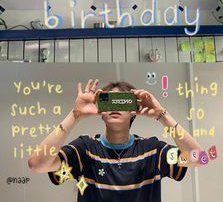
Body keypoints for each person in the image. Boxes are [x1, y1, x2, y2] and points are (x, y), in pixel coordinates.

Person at [28, 79, 203, 202]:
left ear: (133, 109)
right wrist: (75, 115)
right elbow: (37, 164)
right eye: (109, 101)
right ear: (101, 111)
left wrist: (162, 115)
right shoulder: (85, 150)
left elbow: (199, 158)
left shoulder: (153, 151)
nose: (115, 107)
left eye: (122, 101)